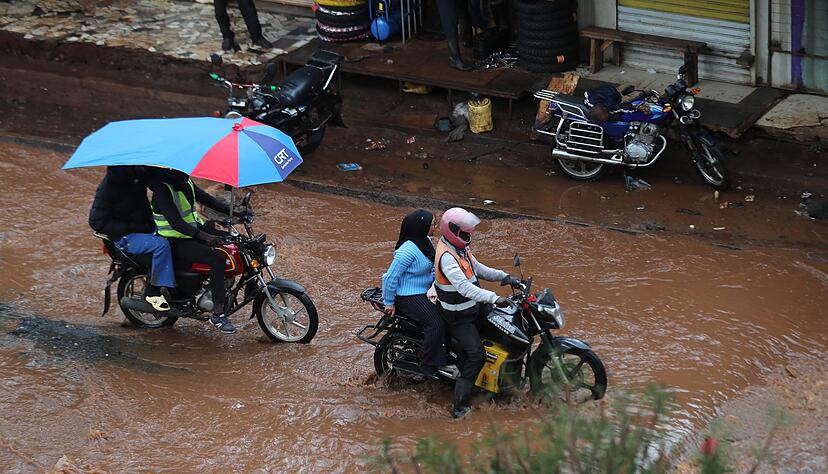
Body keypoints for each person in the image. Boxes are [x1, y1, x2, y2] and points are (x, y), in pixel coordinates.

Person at [434, 207, 519, 418]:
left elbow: (478, 268)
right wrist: (494, 297)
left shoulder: (460, 249)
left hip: (471, 307)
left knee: (504, 328)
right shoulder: (447, 256)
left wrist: (505, 277)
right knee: (477, 355)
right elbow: (464, 287)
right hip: (457, 316)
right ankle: (460, 406)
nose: (470, 235)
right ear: (453, 231)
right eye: (466, 232)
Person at [147, 168, 248, 334]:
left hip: (190, 233)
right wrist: (206, 237)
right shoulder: (162, 190)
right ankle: (218, 313)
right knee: (218, 258)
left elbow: (207, 199)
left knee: (233, 240)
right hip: (173, 240)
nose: (186, 173)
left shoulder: (185, 181)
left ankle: (213, 288)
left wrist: (236, 212)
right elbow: (176, 223)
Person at [89, 166, 175, 312]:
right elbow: (96, 222)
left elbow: (156, 181)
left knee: (174, 239)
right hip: (124, 238)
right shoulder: (107, 189)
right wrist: (131, 226)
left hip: (145, 228)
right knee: (162, 245)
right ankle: (152, 291)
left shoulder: (138, 174)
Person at [381, 210, 448, 379]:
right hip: (409, 296)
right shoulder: (407, 251)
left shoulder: (424, 241)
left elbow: (432, 266)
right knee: (436, 324)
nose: (434, 227)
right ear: (422, 227)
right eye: (432, 224)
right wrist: (389, 302)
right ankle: (427, 363)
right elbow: (390, 278)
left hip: (426, 290)